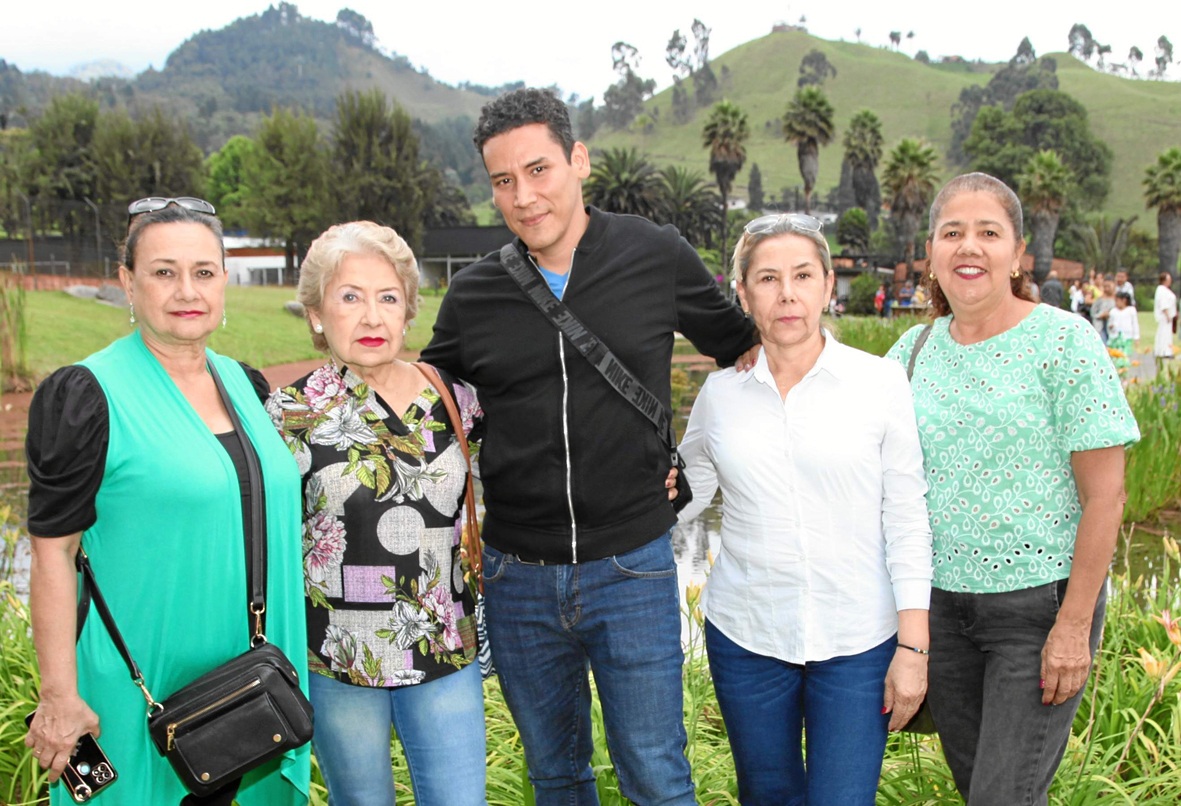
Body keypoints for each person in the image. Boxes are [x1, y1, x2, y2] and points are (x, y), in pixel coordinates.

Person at [420, 87, 756, 805]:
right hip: (516, 579)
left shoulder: (652, 253)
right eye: (502, 181)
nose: (523, 195)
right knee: (555, 778)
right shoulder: (474, 294)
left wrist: (695, 468)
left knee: (658, 780)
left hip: (629, 568)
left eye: (538, 170)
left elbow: (744, 355)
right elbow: (425, 406)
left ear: (578, 161)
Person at [24, 199, 309, 805]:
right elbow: (53, 554)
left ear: (225, 281)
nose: (188, 290)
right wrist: (58, 696)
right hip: (139, 691)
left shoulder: (246, 384)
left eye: (204, 272)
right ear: (127, 281)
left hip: (253, 690)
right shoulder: (87, 395)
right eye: (163, 271)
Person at [887, 173, 1139, 806]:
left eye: (988, 233)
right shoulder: (909, 352)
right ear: (932, 252)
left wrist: (1073, 627)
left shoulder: (1066, 342)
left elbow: (1105, 498)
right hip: (941, 614)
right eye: (953, 233)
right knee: (981, 791)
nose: (969, 247)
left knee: (1004, 796)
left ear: (1018, 253)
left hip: (1036, 615)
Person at [678, 213, 933, 804]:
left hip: (858, 641)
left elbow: (907, 519)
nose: (786, 293)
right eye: (767, 279)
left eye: (802, 275)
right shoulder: (721, 395)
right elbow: (682, 494)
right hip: (747, 637)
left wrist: (913, 647)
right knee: (767, 796)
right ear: (742, 293)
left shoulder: (880, 383)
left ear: (827, 287)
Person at [267, 222, 486, 806]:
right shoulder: (286, 414)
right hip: (339, 659)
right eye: (350, 297)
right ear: (316, 314)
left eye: (387, 298)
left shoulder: (456, 400)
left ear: (408, 311)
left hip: (445, 650)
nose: (371, 317)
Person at [1154, 272, 1177, 369]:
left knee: (1167, 334)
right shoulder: (1161, 290)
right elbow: (1163, 303)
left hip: (1169, 317)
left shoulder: (1165, 290)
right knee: (1163, 333)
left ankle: (1167, 350)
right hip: (1164, 316)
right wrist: (1167, 314)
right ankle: (1163, 351)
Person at [1090, 279, 1116, 343]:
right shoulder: (1099, 299)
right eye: (1105, 286)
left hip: (1113, 327)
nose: (1106, 289)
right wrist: (1100, 315)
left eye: (1109, 286)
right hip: (1100, 326)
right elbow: (1093, 312)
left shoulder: (1117, 299)